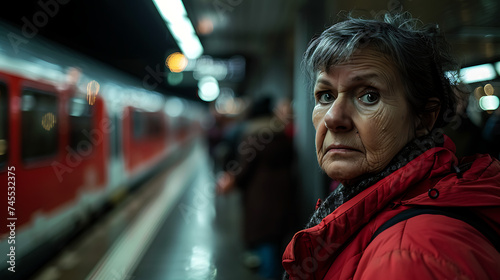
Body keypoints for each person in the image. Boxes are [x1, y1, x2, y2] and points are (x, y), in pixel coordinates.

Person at [282, 12, 500, 280]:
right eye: (325, 96)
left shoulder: (409, 258)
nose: (333, 117)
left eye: (369, 96)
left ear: (424, 118)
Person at [217, 96, 297, 279]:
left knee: (265, 240)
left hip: (260, 198)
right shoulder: (281, 133)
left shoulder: (253, 134)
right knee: (277, 240)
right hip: (284, 194)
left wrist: (230, 181)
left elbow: (244, 168)